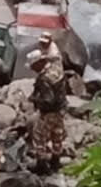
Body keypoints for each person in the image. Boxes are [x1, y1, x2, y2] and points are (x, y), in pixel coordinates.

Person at [26, 32, 67, 174]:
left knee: (39, 136)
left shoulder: (44, 79)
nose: (32, 69)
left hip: (49, 111)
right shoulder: (56, 69)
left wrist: (35, 100)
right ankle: (56, 161)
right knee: (57, 135)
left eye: (33, 66)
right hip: (61, 109)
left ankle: (41, 165)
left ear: (39, 63)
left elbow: (48, 99)